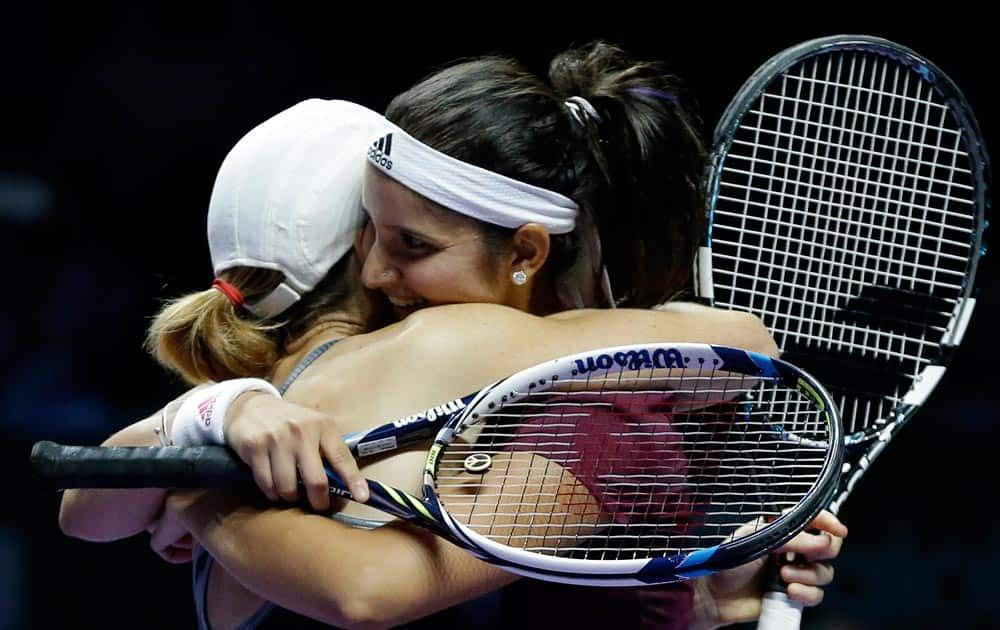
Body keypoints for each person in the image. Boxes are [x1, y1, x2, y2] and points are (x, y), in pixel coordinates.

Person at [59, 51, 845, 630]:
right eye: (370, 236)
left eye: (410, 246)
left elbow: (85, 511)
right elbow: (745, 345)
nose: (375, 273)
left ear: (527, 254)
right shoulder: (385, 371)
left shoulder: (592, 414)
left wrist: (200, 479)